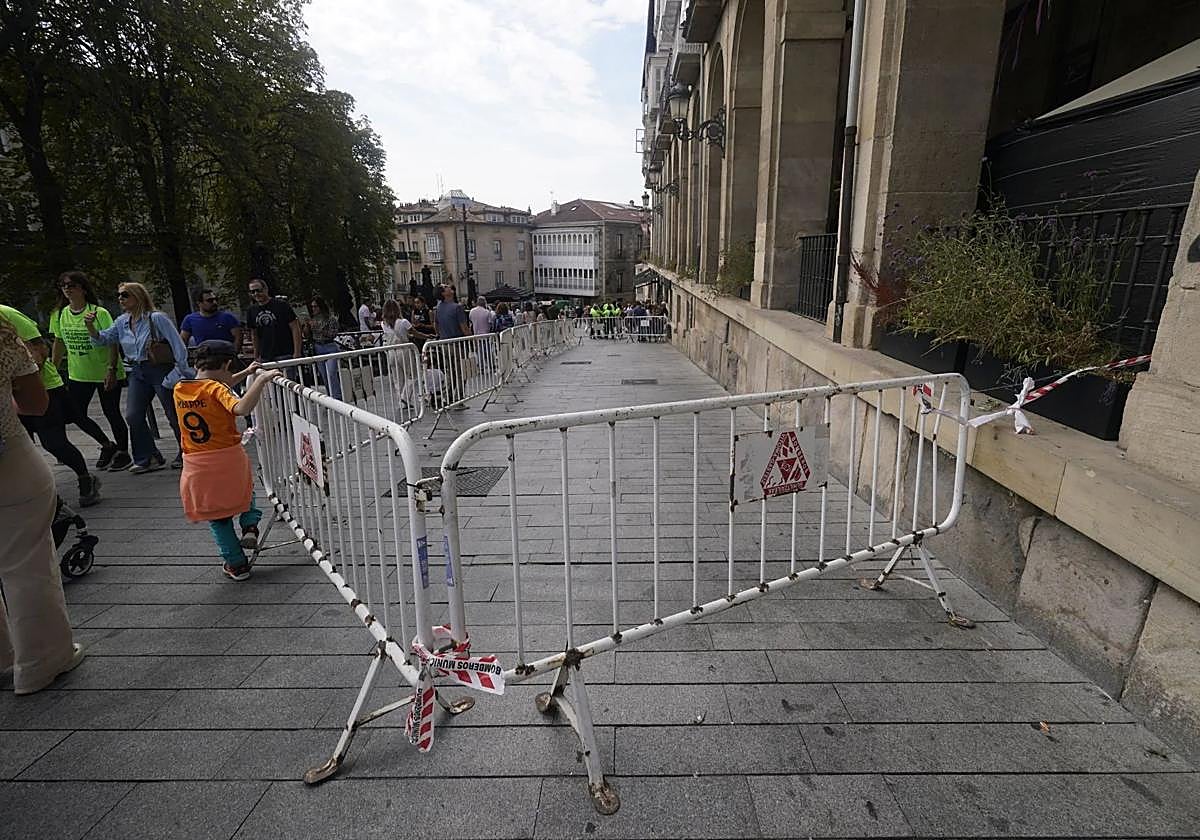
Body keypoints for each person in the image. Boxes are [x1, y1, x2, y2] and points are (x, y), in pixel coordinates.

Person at [0, 315, 86, 695]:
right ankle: (40, 662)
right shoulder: (3, 334)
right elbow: (35, 404)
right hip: (9, 459)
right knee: (26, 564)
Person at [174, 340, 280, 581]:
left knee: (218, 518)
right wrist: (261, 380)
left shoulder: (180, 388)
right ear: (227, 364)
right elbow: (240, 407)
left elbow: (218, 384)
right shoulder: (217, 389)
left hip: (197, 463)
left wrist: (245, 373)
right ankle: (250, 526)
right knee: (245, 493)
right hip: (228, 456)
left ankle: (236, 564)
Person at [1, 304, 103, 505]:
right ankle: (32, 493)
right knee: (21, 449)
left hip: (43, 387)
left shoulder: (7, 314)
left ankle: (85, 478)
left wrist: (22, 380)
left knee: (53, 442)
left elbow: (39, 349)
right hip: (8, 398)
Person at [85, 281, 190, 472]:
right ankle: (148, 456)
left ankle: (188, 452)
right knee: (133, 415)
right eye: (119, 295)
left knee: (173, 413)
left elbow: (178, 346)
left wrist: (179, 372)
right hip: (136, 371)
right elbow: (103, 340)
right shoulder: (121, 321)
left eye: (125, 295)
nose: (120, 299)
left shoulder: (157, 318)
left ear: (138, 296)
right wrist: (90, 326)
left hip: (159, 368)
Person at [49, 272, 131, 471]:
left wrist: (111, 369)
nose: (67, 289)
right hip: (79, 374)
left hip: (105, 370)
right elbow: (59, 342)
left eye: (72, 285)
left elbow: (111, 341)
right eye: (64, 285)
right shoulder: (59, 314)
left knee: (111, 412)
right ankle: (106, 445)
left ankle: (123, 452)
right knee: (75, 414)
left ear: (83, 289)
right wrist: (52, 367)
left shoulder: (98, 312)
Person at [247, 279, 301, 364]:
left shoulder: (281, 305)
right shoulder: (251, 310)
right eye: (252, 292)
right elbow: (254, 334)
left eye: (258, 290)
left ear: (266, 289)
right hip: (265, 356)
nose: (256, 294)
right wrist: (256, 356)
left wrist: (297, 352)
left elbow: (295, 327)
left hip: (285, 353)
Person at [305, 296, 343, 400]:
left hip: (329, 346)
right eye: (312, 307)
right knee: (324, 376)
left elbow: (333, 334)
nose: (313, 309)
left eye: (315, 306)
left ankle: (337, 398)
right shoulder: (312, 319)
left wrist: (317, 328)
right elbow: (307, 336)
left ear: (321, 307)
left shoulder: (330, 319)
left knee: (331, 373)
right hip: (318, 347)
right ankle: (330, 397)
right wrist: (307, 326)